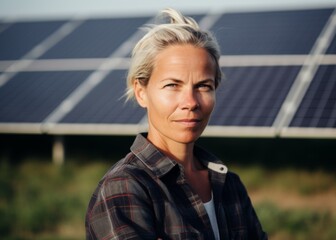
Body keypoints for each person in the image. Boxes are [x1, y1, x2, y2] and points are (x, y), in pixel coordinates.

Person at [85, 8, 267, 240]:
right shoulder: (125, 187)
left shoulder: (229, 185)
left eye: (204, 86)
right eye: (172, 85)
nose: (190, 102)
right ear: (141, 92)